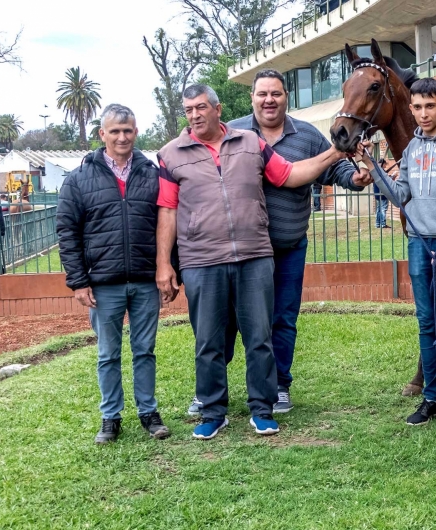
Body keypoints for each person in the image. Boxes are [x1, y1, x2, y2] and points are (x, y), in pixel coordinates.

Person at [156, 84, 358, 440]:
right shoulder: (171, 155)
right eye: (188, 110)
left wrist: (335, 154)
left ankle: (262, 409)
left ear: (217, 109)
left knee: (260, 336)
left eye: (201, 107)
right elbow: (168, 212)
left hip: (254, 256)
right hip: (201, 261)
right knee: (208, 339)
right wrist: (164, 264)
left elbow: (289, 175)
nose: (195, 115)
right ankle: (212, 410)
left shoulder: (251, 143)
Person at [224, 69, 370, 416]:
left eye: (276, 93)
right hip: (240, 248)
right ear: (252, 98)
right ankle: (213, 390)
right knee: (228, 319)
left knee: (283, 319)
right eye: (262, 94)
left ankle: (279, 385)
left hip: (288, 245)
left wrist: (354, 177)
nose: (269, 100)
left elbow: (332, 170)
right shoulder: (232, 132)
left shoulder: (306, 134)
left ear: (286, 96)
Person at [56, 104, 170, 444]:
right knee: (108, 353)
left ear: (136, 133)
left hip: (145, 280)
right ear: (102, 134)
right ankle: (110, 417)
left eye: (128, 130)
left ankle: (148, 412)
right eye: (115, 131)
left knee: (145, 350)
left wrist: (168, 268)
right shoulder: (79, 179)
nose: (122, 137)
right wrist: (78, 280)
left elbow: (167, 224)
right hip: (103, 284)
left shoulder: (152, 174)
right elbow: (67, 231)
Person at [361, 78, 436, 426]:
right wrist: (373, 167)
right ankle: (432, 398)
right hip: (419, 243)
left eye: (430, 106)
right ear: (410, 108)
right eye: (418, 107)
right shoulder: (411, 149)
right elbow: (398, 196)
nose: (424, 113)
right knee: (426, 322)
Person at [374, 158, 394, 229]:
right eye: (385, 164)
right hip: (383, 193)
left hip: (377, 193)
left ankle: (377, 224)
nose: (386, 165)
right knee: (383, 209)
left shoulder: (376, 171)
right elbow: (386, 181)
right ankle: (383, 224)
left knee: (379, 209)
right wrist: (392, 177)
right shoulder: (381, 172)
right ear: (383, 164)